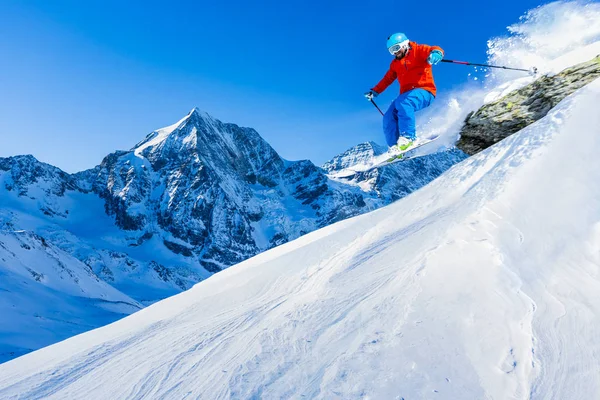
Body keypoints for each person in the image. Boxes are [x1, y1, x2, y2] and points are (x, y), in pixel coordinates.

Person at [365, 32, 444, 153]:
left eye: (396, 48)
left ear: (404, 44)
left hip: (425, 92)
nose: (395, 52)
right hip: (405, 96)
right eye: (391, 51)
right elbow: (387, 79)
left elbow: (434, 48)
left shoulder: (418, 50)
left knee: (404, 102)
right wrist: (375, 91)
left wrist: (436, 54)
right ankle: (395, 146)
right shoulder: (395, 64)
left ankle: (408, 138)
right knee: (388, 116)